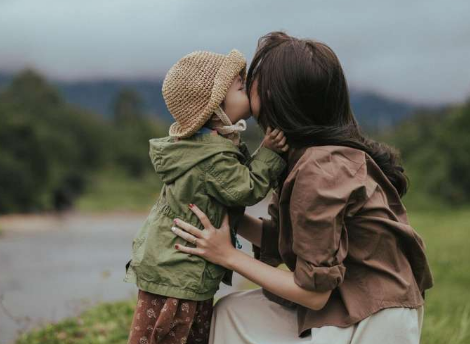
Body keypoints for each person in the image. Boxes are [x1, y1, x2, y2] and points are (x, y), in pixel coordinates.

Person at [170, 32, 434, 344]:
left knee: (240, 312)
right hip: (351, 302)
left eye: (250, 80)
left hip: (372, 319)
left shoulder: (321, 169)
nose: (244, 83)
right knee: (232, 312)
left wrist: (228, 255)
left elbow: (314, 293)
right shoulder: (310, 156)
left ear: (272, 94)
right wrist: (229, 216)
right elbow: (294, 241)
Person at [124, 48, 289, 344]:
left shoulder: (207, 146)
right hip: (179, 274)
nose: (248, 89)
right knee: (176, 335)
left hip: (176, 268)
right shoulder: (211, 156)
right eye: (240, 87)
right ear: (215, 110)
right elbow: (246, 188)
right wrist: (270, 153)